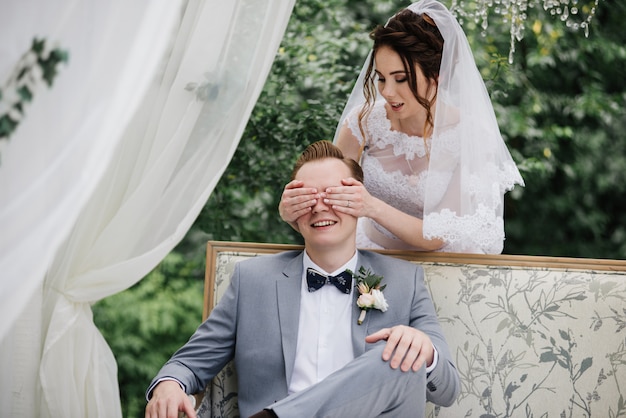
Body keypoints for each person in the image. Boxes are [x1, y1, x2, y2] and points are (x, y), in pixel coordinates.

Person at [145, 140, 460, 418]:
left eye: (335, 194)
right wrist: (169, 386)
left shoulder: (405, 280)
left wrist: (426, 351)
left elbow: (447, 390)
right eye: (307, 196)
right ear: (292, 209)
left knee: (397, 355)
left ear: (359, 201)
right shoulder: (252, 281)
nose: (320, 205)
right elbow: (189, 363)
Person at [279, 0, 524, 254]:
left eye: (401, 79)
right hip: (369, 253)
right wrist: (292, 213)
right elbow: (328, 210)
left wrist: (371, 207)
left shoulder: (469, 136)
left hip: (438, 264)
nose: (387, 92)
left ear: (437, 75)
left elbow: (438, 235)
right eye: (382, 78)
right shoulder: (364, 123)